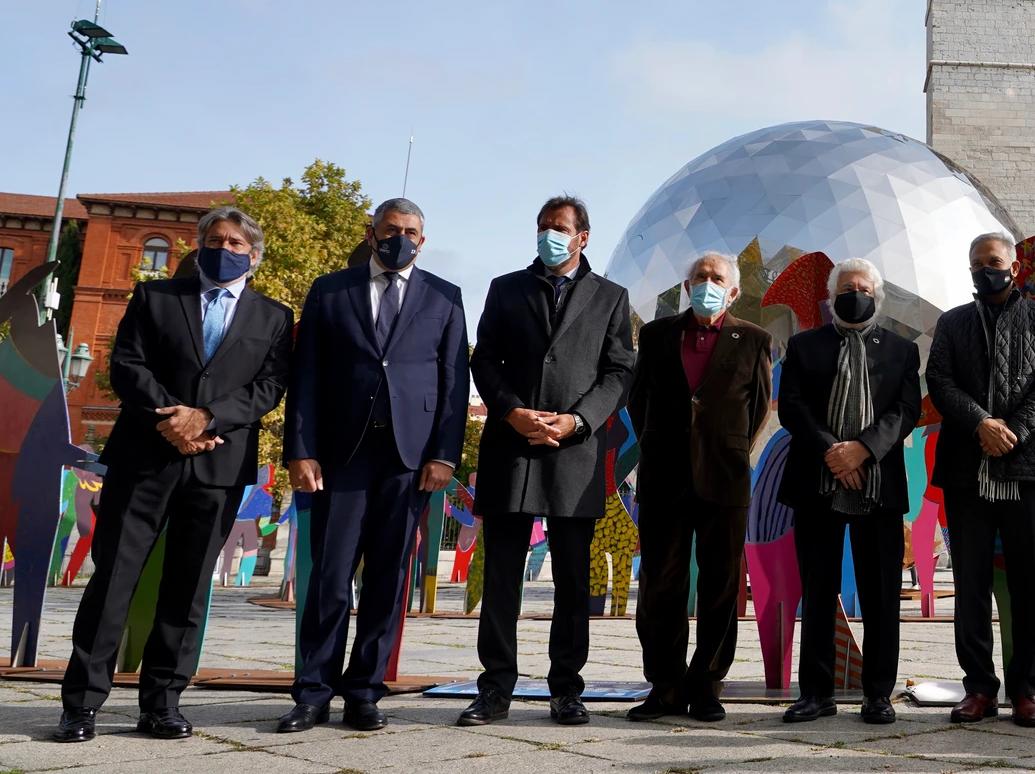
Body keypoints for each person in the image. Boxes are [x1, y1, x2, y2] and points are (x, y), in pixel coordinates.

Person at [54, 209, 293, 744]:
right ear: (200, 246)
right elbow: (128, 366)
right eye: (214, 240)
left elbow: (269, 387)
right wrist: (173, 420)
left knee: (187, 590)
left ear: (253, 255)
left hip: (218, 468)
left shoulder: (275, 316)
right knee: (114, 579)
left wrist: (206, 418)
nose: (224, 248)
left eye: (235, 242)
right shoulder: (156, 298)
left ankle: (162, 703)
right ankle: (81, 704)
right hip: (145, 458)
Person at [278, 198, 470, 733]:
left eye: (410, 232)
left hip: (409, 461)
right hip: (341, 457)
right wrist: (300, 449)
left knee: (388, 580)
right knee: (330, 578)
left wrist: (444, 456)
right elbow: (306, 375)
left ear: (422, 241)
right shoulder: (329, 290)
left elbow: (455, 383)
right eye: (391, 229)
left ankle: (364, 690)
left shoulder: (445, 296)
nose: (400, 238)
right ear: (372, 232)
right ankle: (312, 691)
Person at [459, 196, 636, 728]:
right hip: (512, 450)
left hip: (574, 455)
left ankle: (566, 689)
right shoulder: (506, 287)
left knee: (574, 583)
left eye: (558, 228)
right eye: (542, 227)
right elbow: (483, 358)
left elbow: (620, 372)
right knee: (502, 578)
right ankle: (494, 688)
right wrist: (511, 412)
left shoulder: (611, 296)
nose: (548, 236)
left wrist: (578, 421)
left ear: (583, 236)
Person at [926, 233, 1035, 727]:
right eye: (977, 263)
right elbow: (940, 380)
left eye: (994, 261)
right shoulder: (953, 323)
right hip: (969, 469)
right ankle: (979, 687)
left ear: (1014, 266)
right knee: (969, 581)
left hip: (1028, 468)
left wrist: (1015, 429)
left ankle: (1027, 689)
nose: (986, 269)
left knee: (1030, 581)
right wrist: (980, 423)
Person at [624, 251, 773, 723]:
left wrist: (726, 448)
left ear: (732, 291)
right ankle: (664, 685)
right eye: (699, 277)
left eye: (716, 278)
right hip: (664, 475)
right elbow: (638, 401)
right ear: (687, 287)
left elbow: (759, 408)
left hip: (724, 477)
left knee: (720, 585)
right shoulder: (655, 335)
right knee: (660, 585)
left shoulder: (753, 339)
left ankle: (707, 682)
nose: (707, 283)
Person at [777, 259, 922, 725]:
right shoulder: (803, 345)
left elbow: (905, 410)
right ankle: (815, 692)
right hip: (818, 480)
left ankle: (878, 693)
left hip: (877, 484)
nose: (853, 294)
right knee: (817, 591)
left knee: (881, 593)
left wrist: (862, 450)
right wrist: (833, 454)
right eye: (845, 287)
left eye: (862, 288)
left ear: (876, 296)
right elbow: (793, 409)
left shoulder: (900, 349)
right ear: (831, 294)